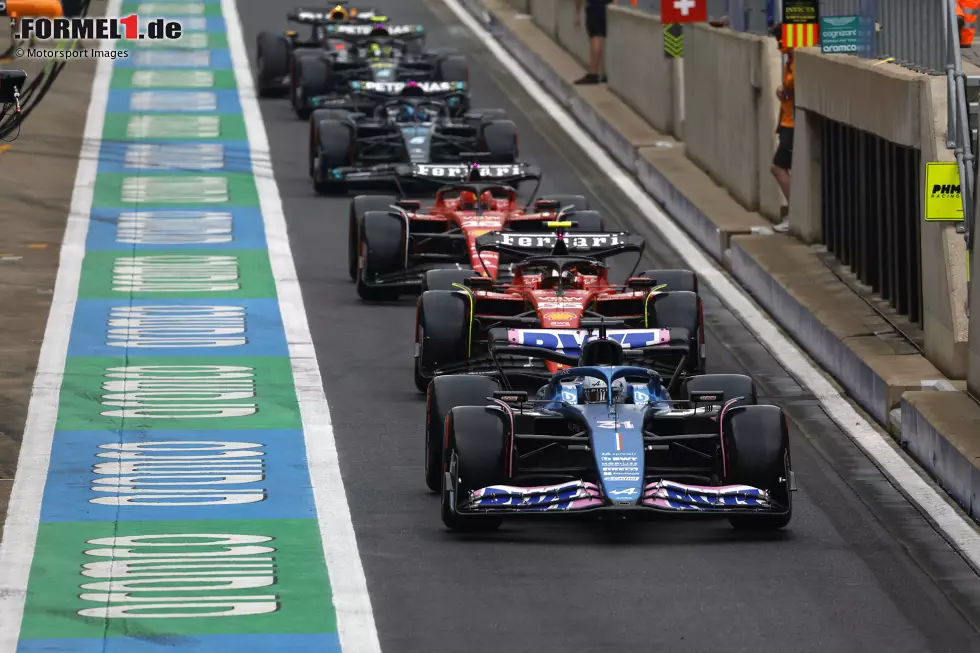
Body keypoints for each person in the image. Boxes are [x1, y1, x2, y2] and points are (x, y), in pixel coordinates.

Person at [771, 25, 794, 233]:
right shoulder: (790, 62)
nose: (779, 46)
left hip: (792, 125)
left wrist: (786, 89)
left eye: (780, 41)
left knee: (778, 167)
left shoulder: (798, 62)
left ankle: (794, 214)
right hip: (786, 123)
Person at [573, 0, 612, 85]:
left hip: (594, 6)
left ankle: (593, 73)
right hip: (608, 6)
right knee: (602, 37)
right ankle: (602, 73)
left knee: (595, 36)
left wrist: (577, 12)